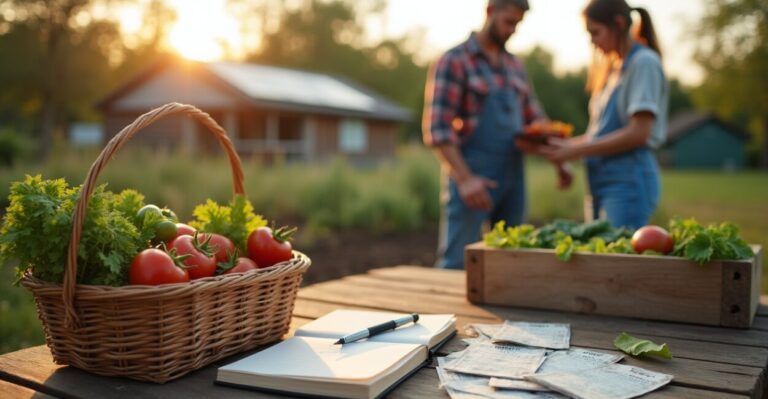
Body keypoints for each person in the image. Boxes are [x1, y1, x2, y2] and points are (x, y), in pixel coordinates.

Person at [422, 0, 568, 269]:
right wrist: (465, 180)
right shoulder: (455, 61)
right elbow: (438, 129)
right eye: (509, 22)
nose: (513, 30)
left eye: (518, 24)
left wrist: (560, 161)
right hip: (473, 177)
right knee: (456, 262)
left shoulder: (514, 66)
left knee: (512, 259)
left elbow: (535, 120)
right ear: (490, 12)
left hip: (513, 177)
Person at [540, 0, 669, 230]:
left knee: (617, 261)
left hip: (628, 181)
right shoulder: (614, 69)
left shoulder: (644, 63)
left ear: (618, 24)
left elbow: (639, 132)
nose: (592, 41)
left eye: (595, 33)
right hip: (600, 180)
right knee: (600, 257)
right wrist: (563, 148)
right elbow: (599, 134)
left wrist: (575, 150)